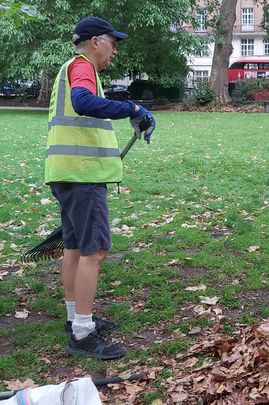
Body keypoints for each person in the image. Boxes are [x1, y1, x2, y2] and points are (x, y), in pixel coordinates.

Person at [45, 16, 156, 359]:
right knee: (94, 251)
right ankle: (82, 333)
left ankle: (75, 320)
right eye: (113, 43)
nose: (115, 51)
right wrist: (133, 108)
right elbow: (82, 101)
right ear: (95, 42)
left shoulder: (71, 67)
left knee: (75, 248)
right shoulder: (82, 68)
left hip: (66, 172)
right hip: (83, 176)